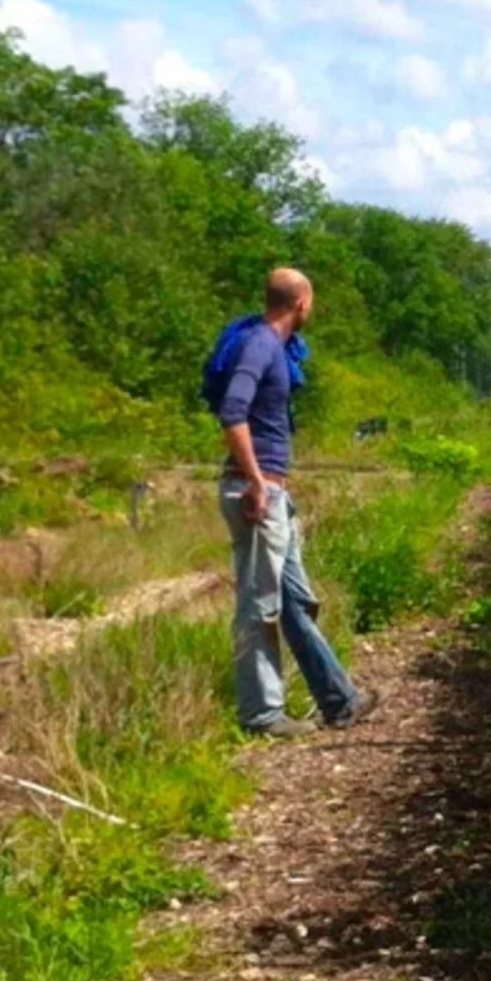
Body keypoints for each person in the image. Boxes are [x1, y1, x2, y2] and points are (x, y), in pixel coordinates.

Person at [209, 267, 377, 737]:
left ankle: (339, 700)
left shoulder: (272, 347)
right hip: (254, 493)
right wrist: (258, 481)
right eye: (312, 301)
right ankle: (261, 715)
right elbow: (232, 413)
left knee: (294, 600)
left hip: (270, 491)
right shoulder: (260, 345)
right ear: (301, 303)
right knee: (259, 605)